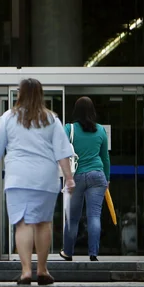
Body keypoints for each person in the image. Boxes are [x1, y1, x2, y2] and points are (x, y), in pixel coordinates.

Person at [0, 78, 75, 285]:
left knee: (23, 223)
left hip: (18, 177)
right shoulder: (51, 119)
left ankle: (26, 271)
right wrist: (69, 178)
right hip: (46, 178)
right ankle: (42, 270)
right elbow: (62, 151)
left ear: (20, 94)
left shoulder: (8, 117)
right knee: (43, 223)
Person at [60, 96, 110, 262]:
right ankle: (93, 253)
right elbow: (105, 158)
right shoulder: (101, 130)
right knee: (94, 216)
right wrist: (107, 179)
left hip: (76, 177)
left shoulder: (70, 128)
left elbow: (61, 150)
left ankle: (68, 252)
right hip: (98, 175)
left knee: (73, 218)